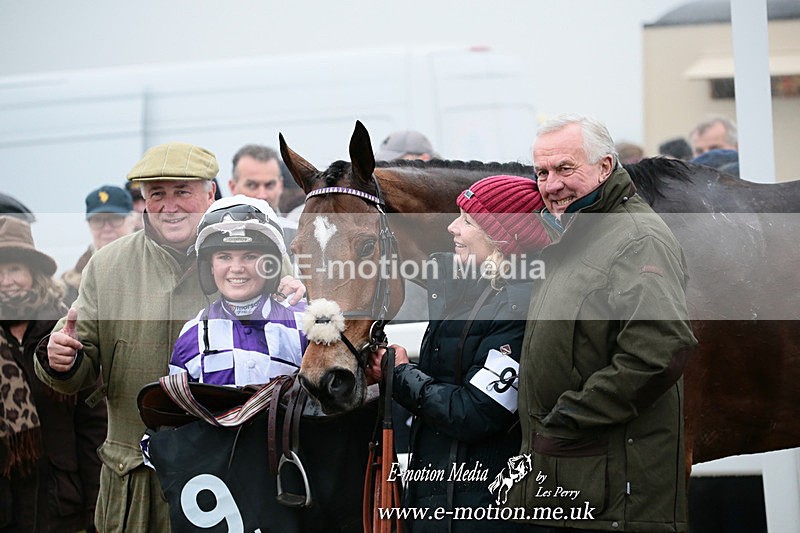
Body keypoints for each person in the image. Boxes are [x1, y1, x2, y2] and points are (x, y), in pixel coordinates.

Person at [35, 141, 305, 532]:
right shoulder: (108, 265)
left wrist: (298, 291)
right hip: (136, 487)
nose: (169, 205)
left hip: (231, 483)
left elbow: (298, 334)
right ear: (142, 199)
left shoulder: (256, 251)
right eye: (156, 194)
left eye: (183, 192)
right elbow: (77, 359)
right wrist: (60, 359)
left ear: (211, 192)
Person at [506, 114, 698, 532]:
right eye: (542, 172)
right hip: (573, 477)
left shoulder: (636, 238)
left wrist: (566, 419)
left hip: (614, 493)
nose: (551, 184)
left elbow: (660, 350)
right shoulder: (573, 235)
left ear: (605, 167)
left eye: (565, 168)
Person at [367, 174, 550, 532]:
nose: (452, 227)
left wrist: (400, 376)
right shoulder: (469, 291)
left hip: (487, 511)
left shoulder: (519, 308)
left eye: (468, 220)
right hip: (444, 503)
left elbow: (475, 412)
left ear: (502, 241)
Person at [0, 215, 106, 532]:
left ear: (33, 274)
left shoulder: (63, 330)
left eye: (15, 269)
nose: (7, 280)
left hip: (61, 508)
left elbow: (93, 422)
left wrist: (96, 506)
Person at [169, 195, 308, 386]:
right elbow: (179, 413)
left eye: (249, 256)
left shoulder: (305, 325)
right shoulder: (192, 334)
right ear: (209, 267)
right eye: (224, 257)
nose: (236, 268)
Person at [61, 185, 135, 306]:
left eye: (115, 218)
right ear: (88, 225)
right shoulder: (69, 286)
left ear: (132, 220)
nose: (107, 228)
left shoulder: (155, 268)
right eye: (98, 220)